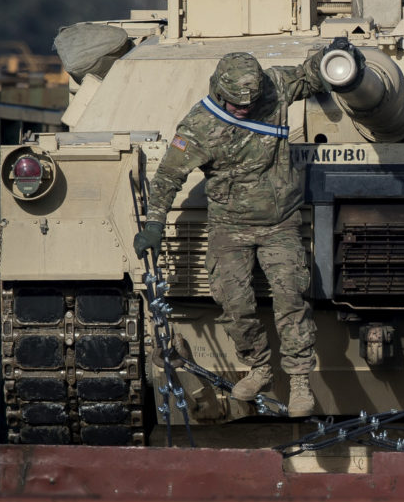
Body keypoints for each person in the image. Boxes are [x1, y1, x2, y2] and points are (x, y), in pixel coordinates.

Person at [133, 51, 325, 417]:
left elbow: (310, 76)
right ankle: (259, 367)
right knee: (232, 302)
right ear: (220, 93)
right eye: (236, 104)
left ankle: (300, 380)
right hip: (229, 225)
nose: (243, 109)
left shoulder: (275, 88)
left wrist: (333, 58)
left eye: (249, 103)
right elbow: (169, 176)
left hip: (279, 221)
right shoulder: (199, 126)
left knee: (291, 296)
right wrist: (155, 223)